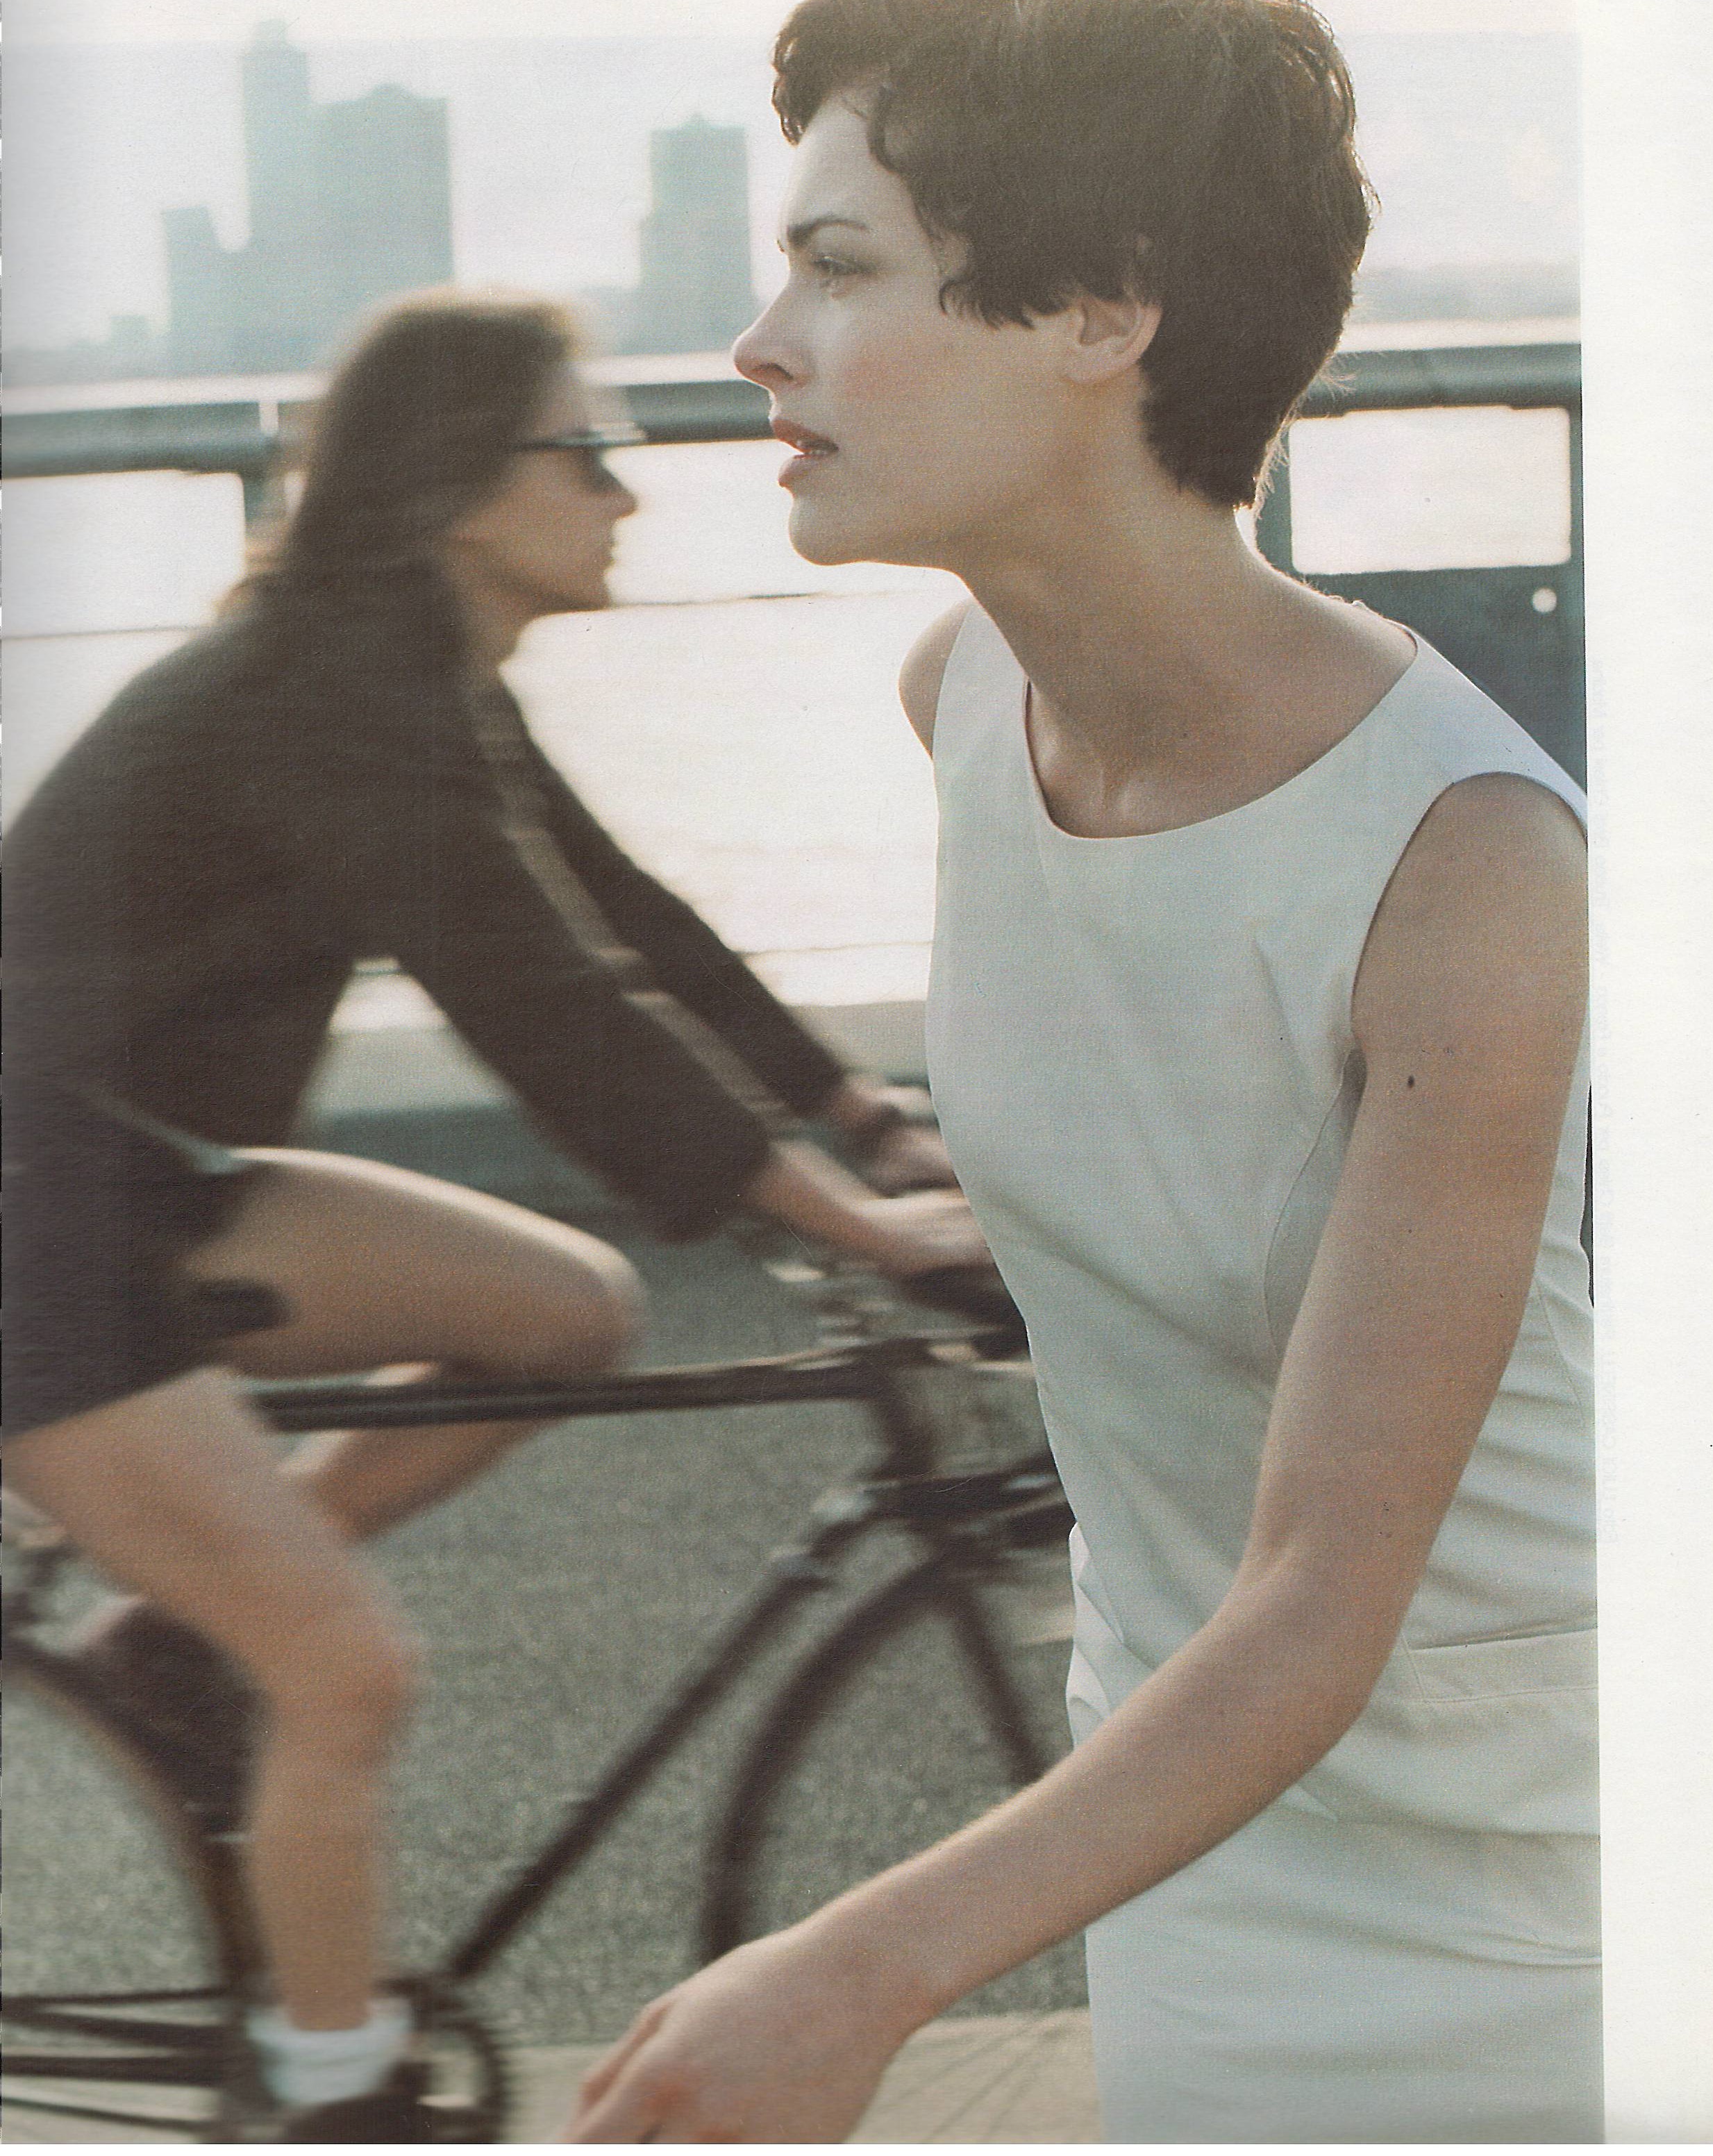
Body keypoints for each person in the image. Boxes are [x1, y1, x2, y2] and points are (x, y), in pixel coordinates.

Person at [566, 0, 1598, 2144]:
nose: (759, 340)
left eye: (840, 265)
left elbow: (1322, 1589)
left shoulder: (1473, 869)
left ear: (1104, 308)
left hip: (1539, 1908)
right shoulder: (960, 706)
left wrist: (867, 1965)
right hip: (1185, 1844)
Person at [2, 288, 989, 2139]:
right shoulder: (330, 697)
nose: (626, 491)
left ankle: (170, 1636)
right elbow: (544, 1004)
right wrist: (865, 1233)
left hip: (116, 1175)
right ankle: (338, 2093)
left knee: (563, 1308)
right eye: (586, 451)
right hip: (35, 1210)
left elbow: (625, 927)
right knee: (343, 1665)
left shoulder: (409, 666)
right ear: (456, 486)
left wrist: (863, 1120)